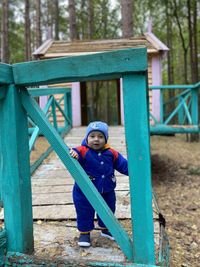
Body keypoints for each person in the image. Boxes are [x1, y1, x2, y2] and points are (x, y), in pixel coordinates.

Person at [70, 121, 128, 247]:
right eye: (92, 136)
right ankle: (85, 233)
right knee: (84, 211)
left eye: (100, 136)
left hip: (107, 189)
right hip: (85, 191)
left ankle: (105, 228)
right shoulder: (83, 150)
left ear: (106, 138)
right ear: (87, 138)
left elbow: (123, 165)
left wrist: (134, 171)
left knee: (108, 209)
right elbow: (76, 153)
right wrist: (74, 154)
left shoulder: (111, 153)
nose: (96, 139)